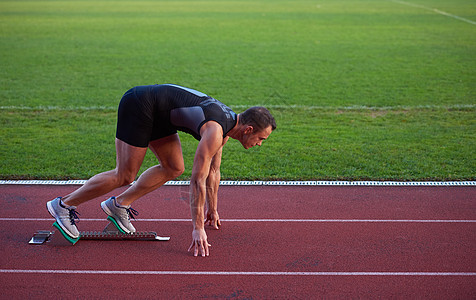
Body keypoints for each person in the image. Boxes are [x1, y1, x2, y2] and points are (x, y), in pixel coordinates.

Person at [46, 84, 276, 257]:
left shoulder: (227, 128)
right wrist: (197, 229)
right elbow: (197, 180)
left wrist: (212, 210)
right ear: (248, 129)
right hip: (140, 104)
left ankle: (118, 205)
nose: (260, 143)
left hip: (160, 115)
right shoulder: (216, 131)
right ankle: (64, 205)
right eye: (261, 138)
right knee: (125, 174)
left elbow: (214, 172)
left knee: (174, 167)